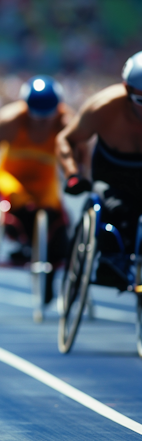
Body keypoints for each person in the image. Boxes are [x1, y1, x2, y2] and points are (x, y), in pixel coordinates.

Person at [0, 75, 76, 303]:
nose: (41, 122)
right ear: (25, 106)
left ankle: (51, 268)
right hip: (12, 175)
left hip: (44, 178)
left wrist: (76, 176)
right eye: (36, 115)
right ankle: (25, 242)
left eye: (47, 116)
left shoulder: (66, 122)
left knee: (58, 216)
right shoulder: (9, 120)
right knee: (19, 201)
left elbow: (82, 153)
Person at [57, 51, 142, 290]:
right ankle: (112, 259)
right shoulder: (103, 107)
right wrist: (73, 174)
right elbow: (66, 139)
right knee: (117, 210)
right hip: (113, 174)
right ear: (126, 89)